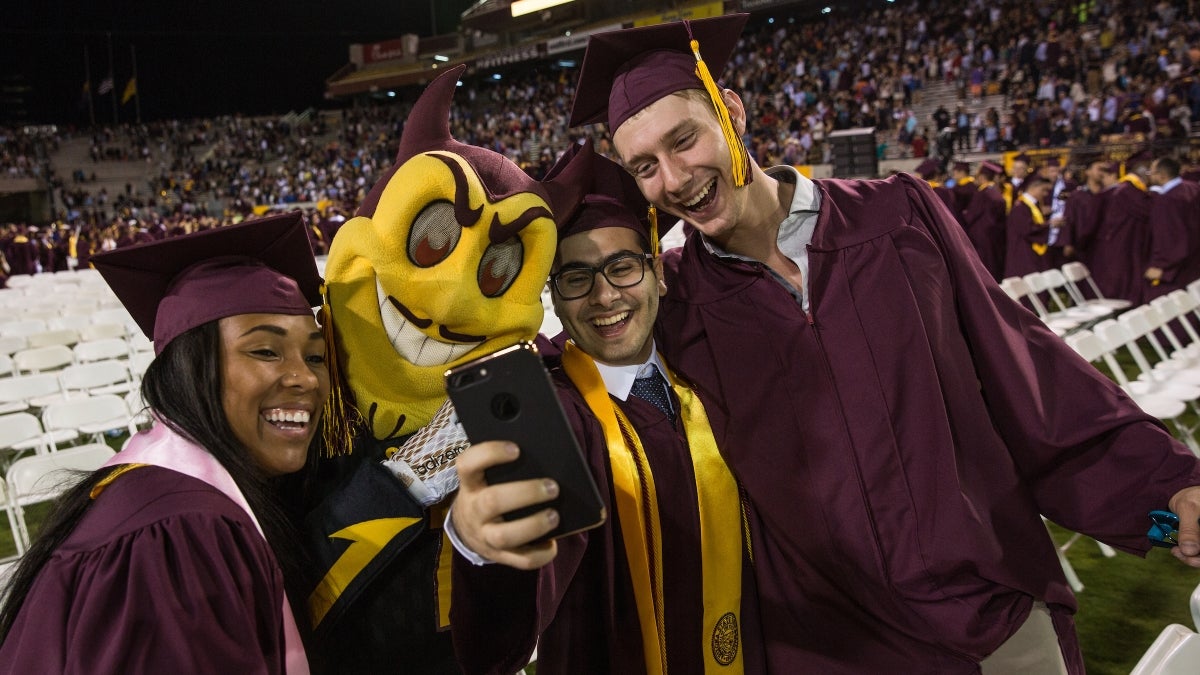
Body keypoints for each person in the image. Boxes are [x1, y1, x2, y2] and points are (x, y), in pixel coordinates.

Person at [564, 13, 1200, 673]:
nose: (673, 178)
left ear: (731, 110)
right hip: (835, 645)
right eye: (645, 166)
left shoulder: (897, 215)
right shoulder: (677, 308)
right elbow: (587, 386)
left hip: (992, 614)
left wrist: (1166, 483)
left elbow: (1026, 370)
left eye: (684, 139)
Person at [448, 141, 762, 673]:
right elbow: (504, 635)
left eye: (622, 267)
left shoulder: (720, 378)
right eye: (576, 278)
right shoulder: (557, 419)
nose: (604, 296)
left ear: (658, 273)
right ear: (555, 297)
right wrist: (484, 548)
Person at [0, 212, 326, 673]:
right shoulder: (176, 540)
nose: (305, 378)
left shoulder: (174, 504)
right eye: (265, 351)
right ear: (189, 368)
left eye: (316, 356)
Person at [1143, 156, 1200, 299]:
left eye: (1152, 172)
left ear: (1161, 175)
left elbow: (1169, 237)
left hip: (1177, 270)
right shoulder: (1192, 188)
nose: (1149, 175)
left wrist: (1160, 266)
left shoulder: (1167, 201)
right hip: (1195, 260)